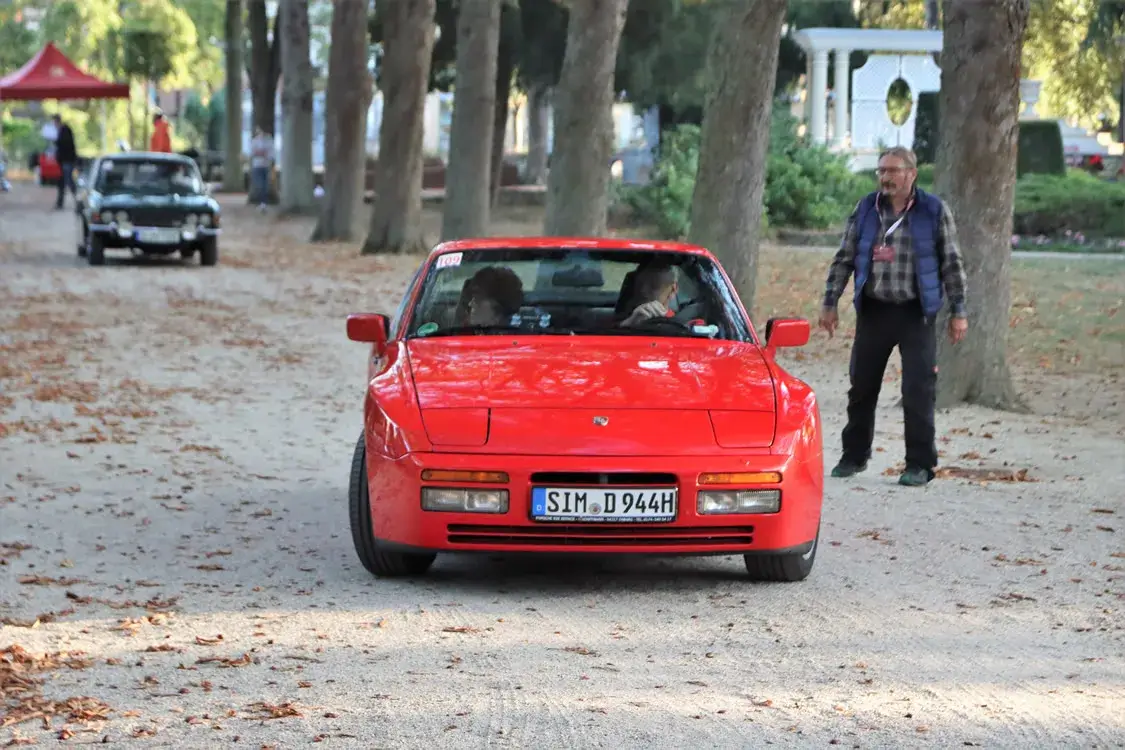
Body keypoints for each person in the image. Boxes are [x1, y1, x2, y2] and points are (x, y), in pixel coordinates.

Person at [818, 146, 968, 487]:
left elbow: (952, 263)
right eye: (881, 170)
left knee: (918, 391)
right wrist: (830, 301)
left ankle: (919, 465)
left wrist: (958, 311)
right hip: (874, 311)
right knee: (861, 388)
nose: (885, 177)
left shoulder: (933, 210)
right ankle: (854, 456)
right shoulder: (865, 209)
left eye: (892, 171)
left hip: (916, 313)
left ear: (911, 174)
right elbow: (844, 257)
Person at [454, 267, 524, 327]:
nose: (470, 304)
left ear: (498, 311)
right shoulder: (459, 333)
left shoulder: (518, 336)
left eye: (478, 300)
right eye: (472, 298)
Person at [52, 114, 78, 210]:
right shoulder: (62, 130)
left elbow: (65, 145)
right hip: (64, 161)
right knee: (63, 182)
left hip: (67, 160)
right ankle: (60, 203)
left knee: (68, 181)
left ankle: (78, 201)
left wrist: (57, 142)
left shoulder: (65, 130)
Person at [249, 127, 275, 210]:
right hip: (257, 166)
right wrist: (261, 153)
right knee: (259, 185)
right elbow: (252, 153)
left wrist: (261, 153)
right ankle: (260, 202)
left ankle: (263, 202)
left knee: (264, 185)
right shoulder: (254, 141)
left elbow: (270, 154)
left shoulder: (269, 141)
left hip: (265, 166)